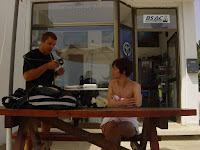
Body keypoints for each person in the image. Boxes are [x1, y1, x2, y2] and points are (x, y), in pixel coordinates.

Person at [23, 32, 65, 150]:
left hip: (46, 96)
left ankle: (45, 148)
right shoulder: (31, 55)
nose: (51, 47)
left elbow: (46, 79)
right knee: (31, 131)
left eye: (53, 45)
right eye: (49, 44)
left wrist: (56, 73)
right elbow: (27, 76)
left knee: (46, 128)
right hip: (33, 97)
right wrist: (46, 66)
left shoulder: (50, 56)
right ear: (42, 41)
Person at [101, 58, 142, 149]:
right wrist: (122, 103)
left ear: (123, 72)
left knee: (115, 129)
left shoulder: (135, 86)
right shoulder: (112, 84)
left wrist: (115, 103)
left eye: (115, 69)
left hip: (129, 121)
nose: (112, 71)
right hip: (110, 118)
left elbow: (138, 103)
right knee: (111, 127)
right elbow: (107, 103)